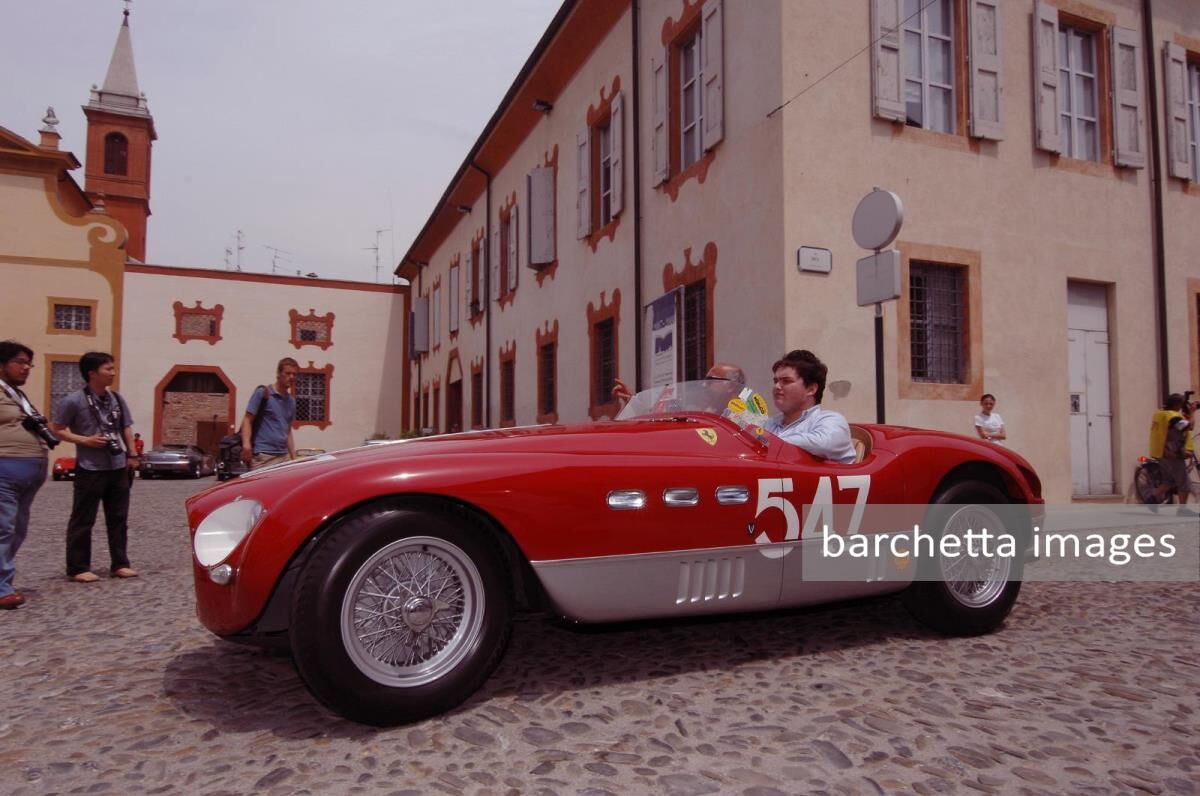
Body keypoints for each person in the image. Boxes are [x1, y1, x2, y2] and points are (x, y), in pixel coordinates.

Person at [50, 352, 138, 582]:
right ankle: (78, 567)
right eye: (108, 369)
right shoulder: (73, 400)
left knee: (118, 517)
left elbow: (126, 428)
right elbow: (57, 429)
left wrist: (133, 454)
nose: (113, 372)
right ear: (92, 373)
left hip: (117, 465)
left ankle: (120, 563)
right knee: (83, 518)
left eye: (113, 368)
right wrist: (85, 440)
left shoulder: (116, 399)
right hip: (90, 467)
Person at [0, 341, 51, 608]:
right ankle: (1, 587)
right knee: (3, 529)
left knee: (17, 529)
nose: (26, 368)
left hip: (28, 472)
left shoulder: (17, 395)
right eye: (19, 362)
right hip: (5, 468)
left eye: (28, 363)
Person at [763, 349, 857, 464]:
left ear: (811, 389)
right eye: (775, 381)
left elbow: (823, 443)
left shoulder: (831, 420)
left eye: (786, 381)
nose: (777, 386)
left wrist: (766, 441)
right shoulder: (770, 423)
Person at [240, 357, 298, 470]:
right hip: (263, 456)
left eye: (294, 374)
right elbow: (247, 420)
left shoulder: (291, 401)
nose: (291, 377)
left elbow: (288, 430)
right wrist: (246, 445)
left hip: (283, 457)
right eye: (288, 373)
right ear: (278, 373)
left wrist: (293, 457)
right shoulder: (263, 393)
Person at [611, 362, 747, 405]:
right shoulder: (707, 411)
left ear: (731, 386)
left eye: (711, 381)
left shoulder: (746, 419)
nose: (704, 385)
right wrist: (633, 401)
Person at [1149, 393, 1195, 506]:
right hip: (1173, 454)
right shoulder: (1173, 417)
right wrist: (1193, 412)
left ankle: (1152, 498)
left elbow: (1173, 428)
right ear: (1177, 405)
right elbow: (1189, 426)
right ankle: (1183, 510)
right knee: (1184, 483)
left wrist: (1186, 415)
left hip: (1161, 452)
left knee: (1168, 481)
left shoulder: (1159, 414)